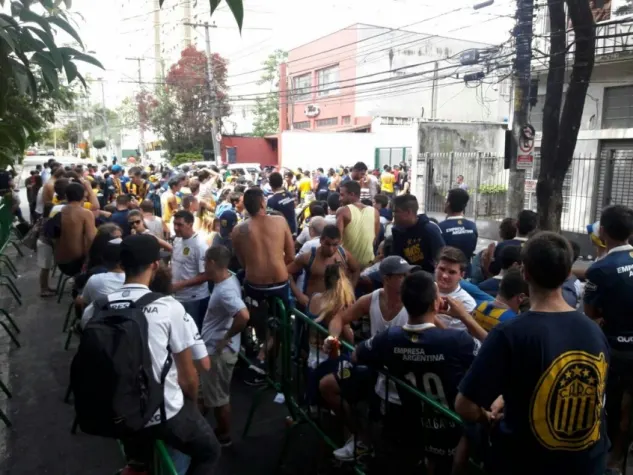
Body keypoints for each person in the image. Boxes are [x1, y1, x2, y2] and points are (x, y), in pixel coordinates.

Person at [456, 232, 610, 475]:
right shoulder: (594, 331)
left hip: (526, 462)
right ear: (568, 272)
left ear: (524, 273)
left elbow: (465, 406)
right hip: (588, 462)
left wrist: (488, 418)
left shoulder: (510, 333)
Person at [81, 234, 220, 475]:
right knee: (209, 451)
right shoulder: (168, 307)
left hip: (114, 410)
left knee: (141, 447)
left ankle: (137, 463)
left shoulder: (97, 307)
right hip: (160, 413)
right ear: (155, 265)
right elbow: (188, 378)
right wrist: (192, 405)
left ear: (122, 265)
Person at [353, 270, 482, 473]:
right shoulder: (457, 341)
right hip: (451, 429)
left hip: (413, 424)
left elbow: (357, 355)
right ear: (435, 304)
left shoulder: (389, 338)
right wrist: (464, 317)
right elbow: (493, 350)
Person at [321, 256, 415, 461]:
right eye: (402, 275)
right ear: (387, 279)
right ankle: (360, 438)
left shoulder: (413, 304)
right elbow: (339, 318)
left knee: (393, 434)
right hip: (373, 366)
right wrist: (332, 336)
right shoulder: (372, 299)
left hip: (401, 375)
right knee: (327, 386)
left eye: (408, 274)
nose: (408, 278)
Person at [584, 204, 633, 473]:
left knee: (610, 409)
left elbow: (589, 313)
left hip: (614, 350)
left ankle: (610, 461)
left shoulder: (600, 269)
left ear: (602, 232)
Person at [231, 187, 295, 385]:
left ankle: (262, 363)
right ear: (262, 203)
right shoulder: (279, 221)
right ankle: (263, 363)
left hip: (255, 285)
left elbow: (242, 262)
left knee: (262, 329)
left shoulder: (237, 230)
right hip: (278, 283)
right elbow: (291, 256)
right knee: (280, 328)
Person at [200, 245, 250, 448]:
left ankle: (224, 436)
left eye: (205, 262)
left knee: (219, 398)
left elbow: (244, 316)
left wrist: (226, 338)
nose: (204, 265)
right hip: (214, 350)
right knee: (206, 395)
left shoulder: (225, 291)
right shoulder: (228, 278)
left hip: (219, 353)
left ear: (211, 263)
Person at [288, 224, 360, 307]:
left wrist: (350, 291)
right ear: (321, 240)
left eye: (334, 245)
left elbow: (356, 269)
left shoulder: (344, 255)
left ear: (339, 242)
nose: (331, 249)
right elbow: (287, 273)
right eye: (328, 244)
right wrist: (299, 295)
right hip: (313, 305)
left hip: (336, 305)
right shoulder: (308, 257)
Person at [171, 210, 210, 331]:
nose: (176, 228)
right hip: (177, 297)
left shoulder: (200, 246)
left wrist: (180, 285)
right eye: (174, 224)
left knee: (193, 332)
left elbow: (205, 276)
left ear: (190, 224)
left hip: (194, 299)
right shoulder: (177, 240)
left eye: (180, 225)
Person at [391, 194, 445, 273]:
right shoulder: (397, 231)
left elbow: (441, 258)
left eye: (395, 211)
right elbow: (396, 259)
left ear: (408, 212)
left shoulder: (430, 230)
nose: (393, 215)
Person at [55, 182, 97, 277]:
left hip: (60, 261)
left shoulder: (57, 210)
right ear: (83, 196)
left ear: (66, 196)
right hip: (76, 264)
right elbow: (91, 239)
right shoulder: (85, 213)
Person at [337, 180, 379, 268]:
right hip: (369, 265)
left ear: (352, 194)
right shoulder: (375, 212)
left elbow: (337, 242)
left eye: (342, 195)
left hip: (348, 266)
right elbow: (375, 239)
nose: (339, 198)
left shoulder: (342, 211)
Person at [435, 247, 476, 330]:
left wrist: (426, 313)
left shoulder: (467, 302)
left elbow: (453, 339)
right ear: (435, 267)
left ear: (461, 275)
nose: (444, 276)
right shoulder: (424, 288)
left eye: (452, 272)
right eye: (442, 269)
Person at [438, 188, 478, 276]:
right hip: (467, 273)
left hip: (447, 275)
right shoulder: (472, 226)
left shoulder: (440, 227)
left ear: (448, 204)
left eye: (446, 200)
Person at [488, 210, 536, 275]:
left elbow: (494, 271)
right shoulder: (535, 249)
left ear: (516, 224)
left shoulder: (502, 246)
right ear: (534, 228)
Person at [267, 172, 297, 236]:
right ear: (281, 182)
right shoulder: (289, 194)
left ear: (270, 184)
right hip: (293, 230)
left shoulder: (271, 201)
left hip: (282, 234)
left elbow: (270, 220)